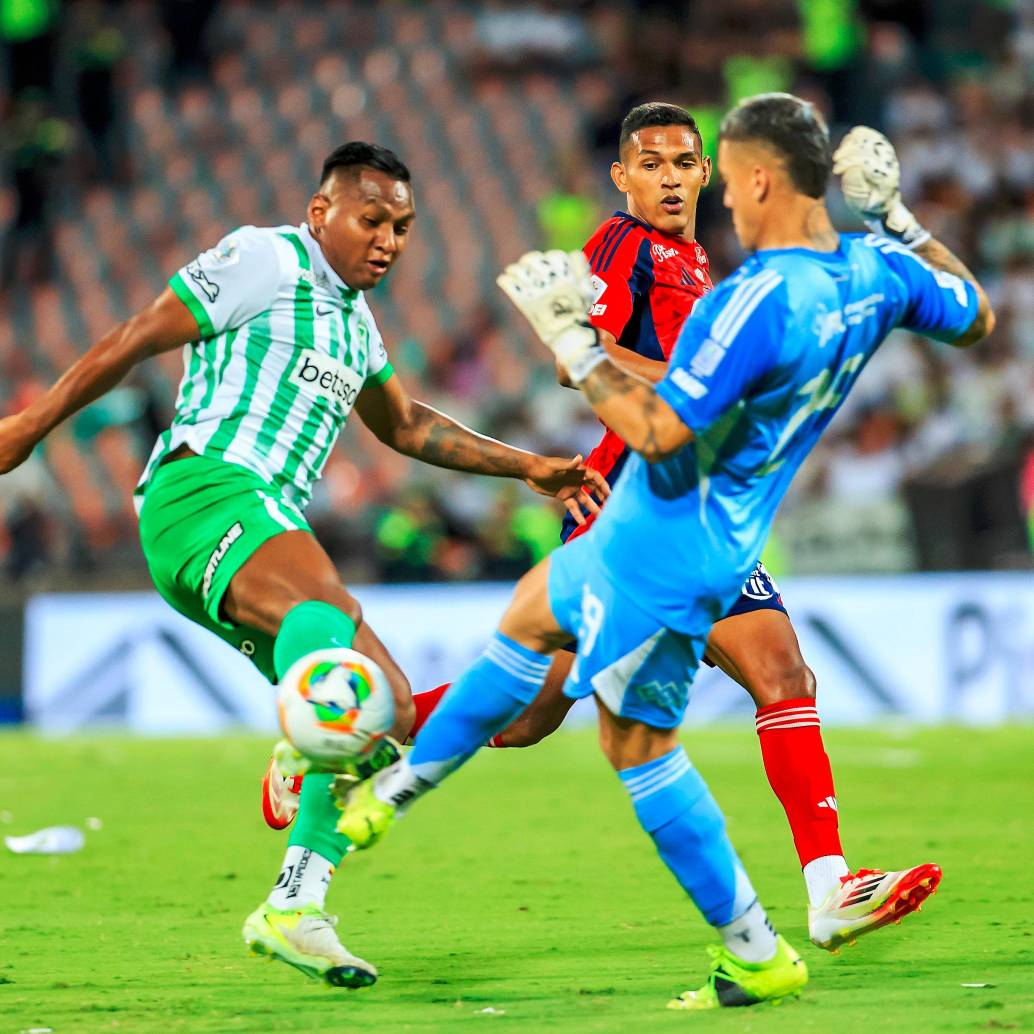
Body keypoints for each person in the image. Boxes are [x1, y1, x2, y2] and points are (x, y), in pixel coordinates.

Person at [334, 98, 994, 1009]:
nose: (684, 181)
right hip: (630, 505)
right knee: (597, 719)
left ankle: (824, 891)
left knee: (756, 678)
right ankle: (357, 728)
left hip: (699, 510)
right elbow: (585, 362)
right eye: (660, 164)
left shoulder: (723, 270)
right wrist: (683, 372)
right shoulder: (629, 248)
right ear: (625, 176)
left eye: (694, 163)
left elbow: (673, 374)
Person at [0, 141, 607, 988]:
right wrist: (28, 427)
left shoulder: (356, 325)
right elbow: (139, 335)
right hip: (204, 492)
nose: (389, 240)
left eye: (403, 227)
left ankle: (296, 902)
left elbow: (406, 427)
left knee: (394, 712)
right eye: (372, 220)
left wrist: (527, 465)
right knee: (328, 633)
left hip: (262, 527)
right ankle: (302, 736)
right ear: (322, 212)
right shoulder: (266, 258)